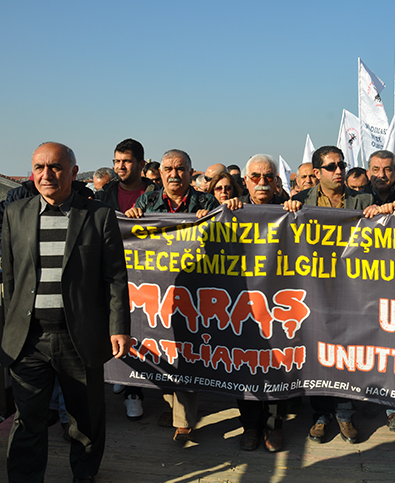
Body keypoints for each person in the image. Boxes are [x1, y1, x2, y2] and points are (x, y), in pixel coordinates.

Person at [1, 142, 131, 483]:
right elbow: (10, 279)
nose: (46, 174)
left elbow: (115, 277)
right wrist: (12, 329)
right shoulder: (15, 214)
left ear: (73, 172)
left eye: (55, 167)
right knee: (27, 421)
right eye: (39, 167)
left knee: (84, 421)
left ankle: (84, 476)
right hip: (29, 340)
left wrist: (118, 326)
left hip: (79, 338)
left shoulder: (98, 215)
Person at [125, 150, 218, 443]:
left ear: (191, 173)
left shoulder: (206, 202)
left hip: (195, 287)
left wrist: (211, 221)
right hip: (158, 288)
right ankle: (172, 406)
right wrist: (132, 217)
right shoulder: (147, 201)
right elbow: (134, 237)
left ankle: (183, 420)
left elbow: (224, 240)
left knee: (187, 351)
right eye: (168, 169)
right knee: (163, 345)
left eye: (180, 169)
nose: (174, 174)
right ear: (160, 173)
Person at [220, 154, 302, 453]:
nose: (262, 182)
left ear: (277, 180)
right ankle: (250, 426)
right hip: (244, 302)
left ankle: (274, 426)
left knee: (279, 362)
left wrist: (297, 210)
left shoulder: (291, 209)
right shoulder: (233, 210)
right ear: (246, 181)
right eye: (255, 177)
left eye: (268, 177)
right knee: (245, 365)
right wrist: (224, 210)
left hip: (281, 302)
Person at [293, 146, 374, 445]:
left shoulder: (363, 201)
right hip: (314, 287)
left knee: (345, 352)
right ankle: (321, 414)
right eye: (331, 167)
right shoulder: (301, 202)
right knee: (318, 352)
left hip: (351, 289)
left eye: (341, 165)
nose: (338, 171)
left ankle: (345, 413)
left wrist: (382, 213)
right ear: (316, 173)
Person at [94, 138, 158, 420]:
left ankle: (134, 392)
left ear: (141, 164)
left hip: (150, 274)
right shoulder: (104, 194)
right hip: (113, 273)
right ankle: (123, 377)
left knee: (143, 330)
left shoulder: (156, 194)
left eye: (127, 161)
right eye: (117, 161)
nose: (120, 166)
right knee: (117, 327)